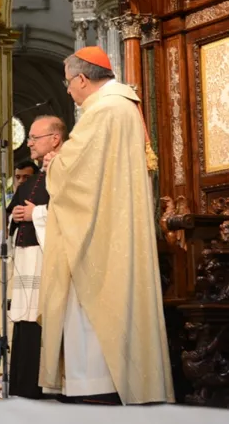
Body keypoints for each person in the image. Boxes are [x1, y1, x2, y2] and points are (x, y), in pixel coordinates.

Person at [38, 46, 174, 405]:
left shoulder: (104, 112)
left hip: (100, 235)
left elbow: (76, 175)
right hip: (117, 222)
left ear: (83, 79)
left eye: (69, 82)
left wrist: (55, 161)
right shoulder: (123, 107)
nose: (68, 90)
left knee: (92, 304)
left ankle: (96, 387)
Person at [6, 115, 66, 399]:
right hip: (26, 258)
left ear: (55, 138)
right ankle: (22, 384)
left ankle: (45, 384)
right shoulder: (31, 182)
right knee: (24, 321)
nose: (28, 143)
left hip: (49, 258)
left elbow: (73, 213)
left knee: (43, 319)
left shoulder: (66, 169)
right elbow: (11, 218)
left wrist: (36, 214)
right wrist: (17, 218)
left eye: (34, 137)